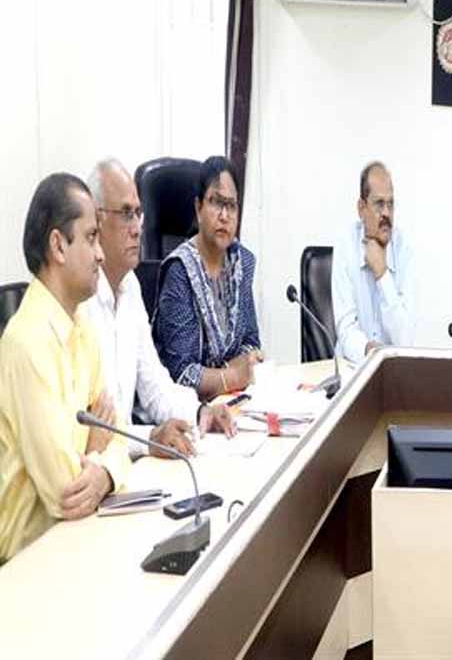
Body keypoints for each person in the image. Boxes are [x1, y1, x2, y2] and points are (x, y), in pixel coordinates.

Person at [0, 173, 131, 563]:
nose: (101, 254)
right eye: (91, 238)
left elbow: (118, 435)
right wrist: (95, 443)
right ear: (58, 245)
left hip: (80, 538)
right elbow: (65, 493)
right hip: (27, 562)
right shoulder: (26, 342)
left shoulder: (82, 326)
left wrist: (104, 470)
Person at [82, 159, 234, 458]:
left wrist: (200, 412)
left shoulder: (130, 286)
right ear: (96, 221)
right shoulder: (80, 300)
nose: (137, 228)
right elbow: (89, 430)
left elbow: (155, 387)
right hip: (94, 470)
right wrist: (149, 439)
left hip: (123, 463)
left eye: (139, 214)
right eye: (126, 214)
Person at [153, 156, 262, 400]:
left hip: (233, 401)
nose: (224, 215)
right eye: (216, 202)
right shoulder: (180, 271)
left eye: (231, 205)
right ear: (198, 207)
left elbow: (251, 342)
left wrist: (243, 365)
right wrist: (232, 375)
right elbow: (181, 373)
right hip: (189, 409)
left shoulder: (241, 263)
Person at [331, 161, 416, 363]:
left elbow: (406, 340)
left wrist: (382, 274)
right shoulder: (346, 246)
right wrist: (370, 352)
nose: (386, 213)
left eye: (391, 204)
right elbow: (345, 329)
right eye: (379, 204)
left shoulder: (403, 249)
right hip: (352, 367)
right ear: (361, 208)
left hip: (393, 370)